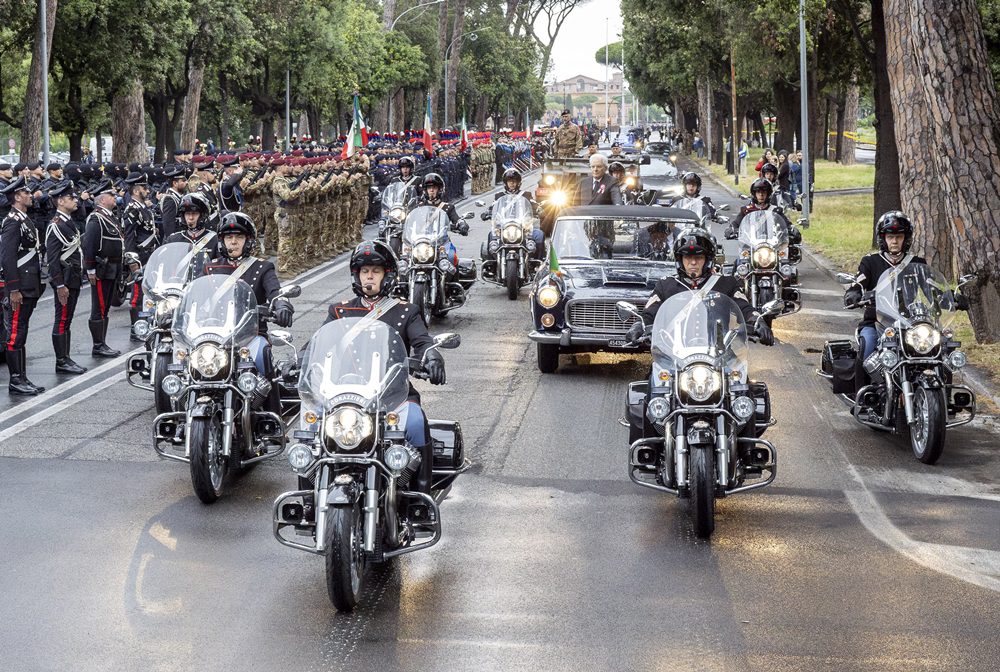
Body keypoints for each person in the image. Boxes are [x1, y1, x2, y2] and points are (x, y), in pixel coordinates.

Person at [324, 240, 446, 494]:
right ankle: (309, 500)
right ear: (356, 275)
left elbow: (422, 341)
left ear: (387, 275)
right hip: (346, 394)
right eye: (364, 271)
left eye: (375, 271)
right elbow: (320, 342)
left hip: (393, 394)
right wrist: (298, 362)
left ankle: (421, 498)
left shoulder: (405, 311)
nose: (369, 276)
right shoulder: (340, 311)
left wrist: (432, 356)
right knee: (313, 428)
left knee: (414, 421)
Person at [628, 227, 774, 346]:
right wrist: (638, 325)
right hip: (674, 352)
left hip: (718, 350)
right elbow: (649, 313)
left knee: (740, 380)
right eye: (687, 257)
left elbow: (745, 308)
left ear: (708, 260)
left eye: (698, 257)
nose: (693, 262)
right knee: (654, 380)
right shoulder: (666, 285)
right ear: (680, 260)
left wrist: (758, 321)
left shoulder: (726, 283)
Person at [843, 212, 927, 397]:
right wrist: (854, 293)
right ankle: (862, 397)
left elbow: (932, 289)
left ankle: (942, 400)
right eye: (890, 237)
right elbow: (858, 282)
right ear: (883, 238)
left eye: (899, 236)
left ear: (906, 238)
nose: (895, 241)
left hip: (909, 324)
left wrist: (950, 298)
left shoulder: (917, 263)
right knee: (867, 348)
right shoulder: (870, 262)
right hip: (876, 322)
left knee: (939, 351)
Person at [0, 177, 47, 394]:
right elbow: (8, 258)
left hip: (30, 284)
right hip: (19, 286)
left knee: (22, 332)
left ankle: (23, 378)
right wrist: (14, 289)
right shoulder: (12, 221)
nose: (30, 195)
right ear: (17, 197)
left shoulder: (24, 219)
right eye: (26, 193)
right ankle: (15, 380)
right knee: (15, 333)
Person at [83, 178, 134, 358]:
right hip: (102, 269)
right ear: (102, 199)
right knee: (99, 306)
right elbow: (89, 245)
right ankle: (98, 345)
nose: (115, 197)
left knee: (105, 308)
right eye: (111, 195)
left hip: (113, 268)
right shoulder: (96, 218)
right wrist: (90, 269)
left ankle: (102, 343)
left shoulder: (109, 217)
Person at [45, 181, 88, 375]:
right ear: (61, 201)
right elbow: (53, 260)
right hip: (65, 280)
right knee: (61, 319)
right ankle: (61, 360)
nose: (76, 201)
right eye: (72, 198)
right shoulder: (56, 225)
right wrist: (59, 284)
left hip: (73, 278)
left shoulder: (67, 221)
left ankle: (66, 357)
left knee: (67, 320)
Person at [480, 169, 545, 271]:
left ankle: (538, 264)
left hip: (523, 227)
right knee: (491, 235)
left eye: (514, 181)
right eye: (509, 181)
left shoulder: (526, 195)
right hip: (504, 226)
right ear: (506, 183)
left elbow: (534, 204)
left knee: (539, 235)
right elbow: (492, 206)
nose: (512, 184)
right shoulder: (499, 196)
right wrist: (486, 212)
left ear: (518, 183)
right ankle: (491, 266)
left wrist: (539, 209)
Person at [122, 172, 159, 339]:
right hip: (140, 257)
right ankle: (135, 329)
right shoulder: (131, 210)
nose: (147, 190)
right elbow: (129, 238)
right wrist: (133, 263)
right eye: (144, 188)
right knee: (137, 295)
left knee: (148, 292)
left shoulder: (142, 207)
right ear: (136, 191)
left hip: (149, 255)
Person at [165, 192, 218, 261]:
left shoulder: (214, 239)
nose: (190, 218)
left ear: (202, 215)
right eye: (187, 214)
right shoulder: (173, 240)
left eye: (194, 213)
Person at [417, 172, 468, 236]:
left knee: (451, 246)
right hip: (422, 240)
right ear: (425, 190)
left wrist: (462, 225)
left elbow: (457, 219)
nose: (431, 190)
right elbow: (412, 222)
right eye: (429, 188)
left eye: (434, 188)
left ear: (439, 190)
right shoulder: (420, 206)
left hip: (441, 241)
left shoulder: (447, 207)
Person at [159, 166, 187, 238]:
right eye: (183, 181)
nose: (186, 183)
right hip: (175, 239)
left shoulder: (178, 197)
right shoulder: (170, 199)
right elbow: (168, 224)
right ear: (175, 183)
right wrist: (172, 241)